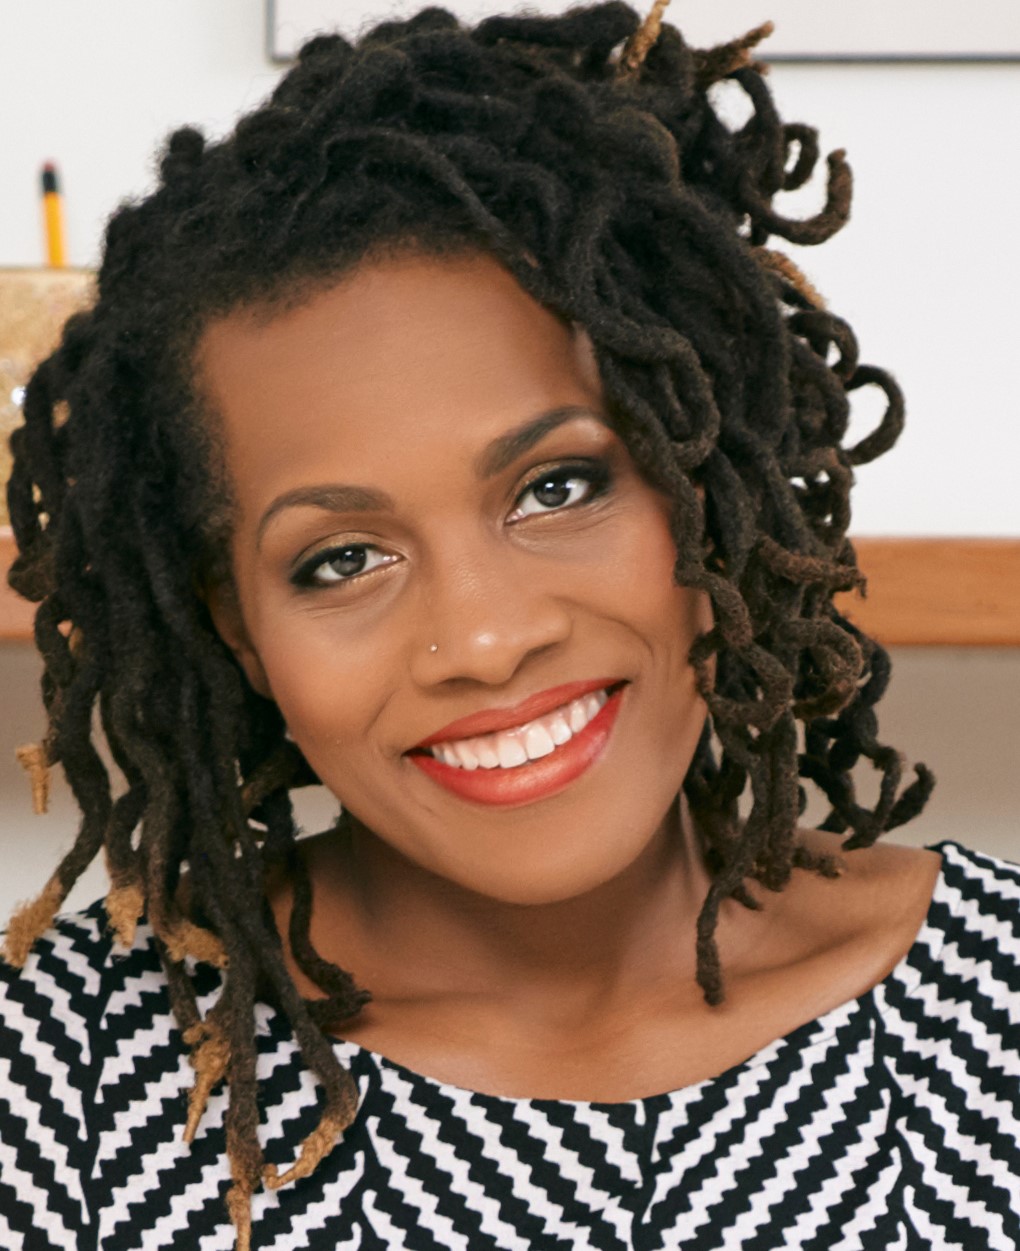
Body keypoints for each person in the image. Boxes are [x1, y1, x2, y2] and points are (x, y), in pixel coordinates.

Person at [2, 3, 1017, 1248]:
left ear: (703, 478)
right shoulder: (52, 1083)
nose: (483, 641)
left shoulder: (998, 1013)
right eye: (341, 560)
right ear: (239, 632)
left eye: (557, 487)